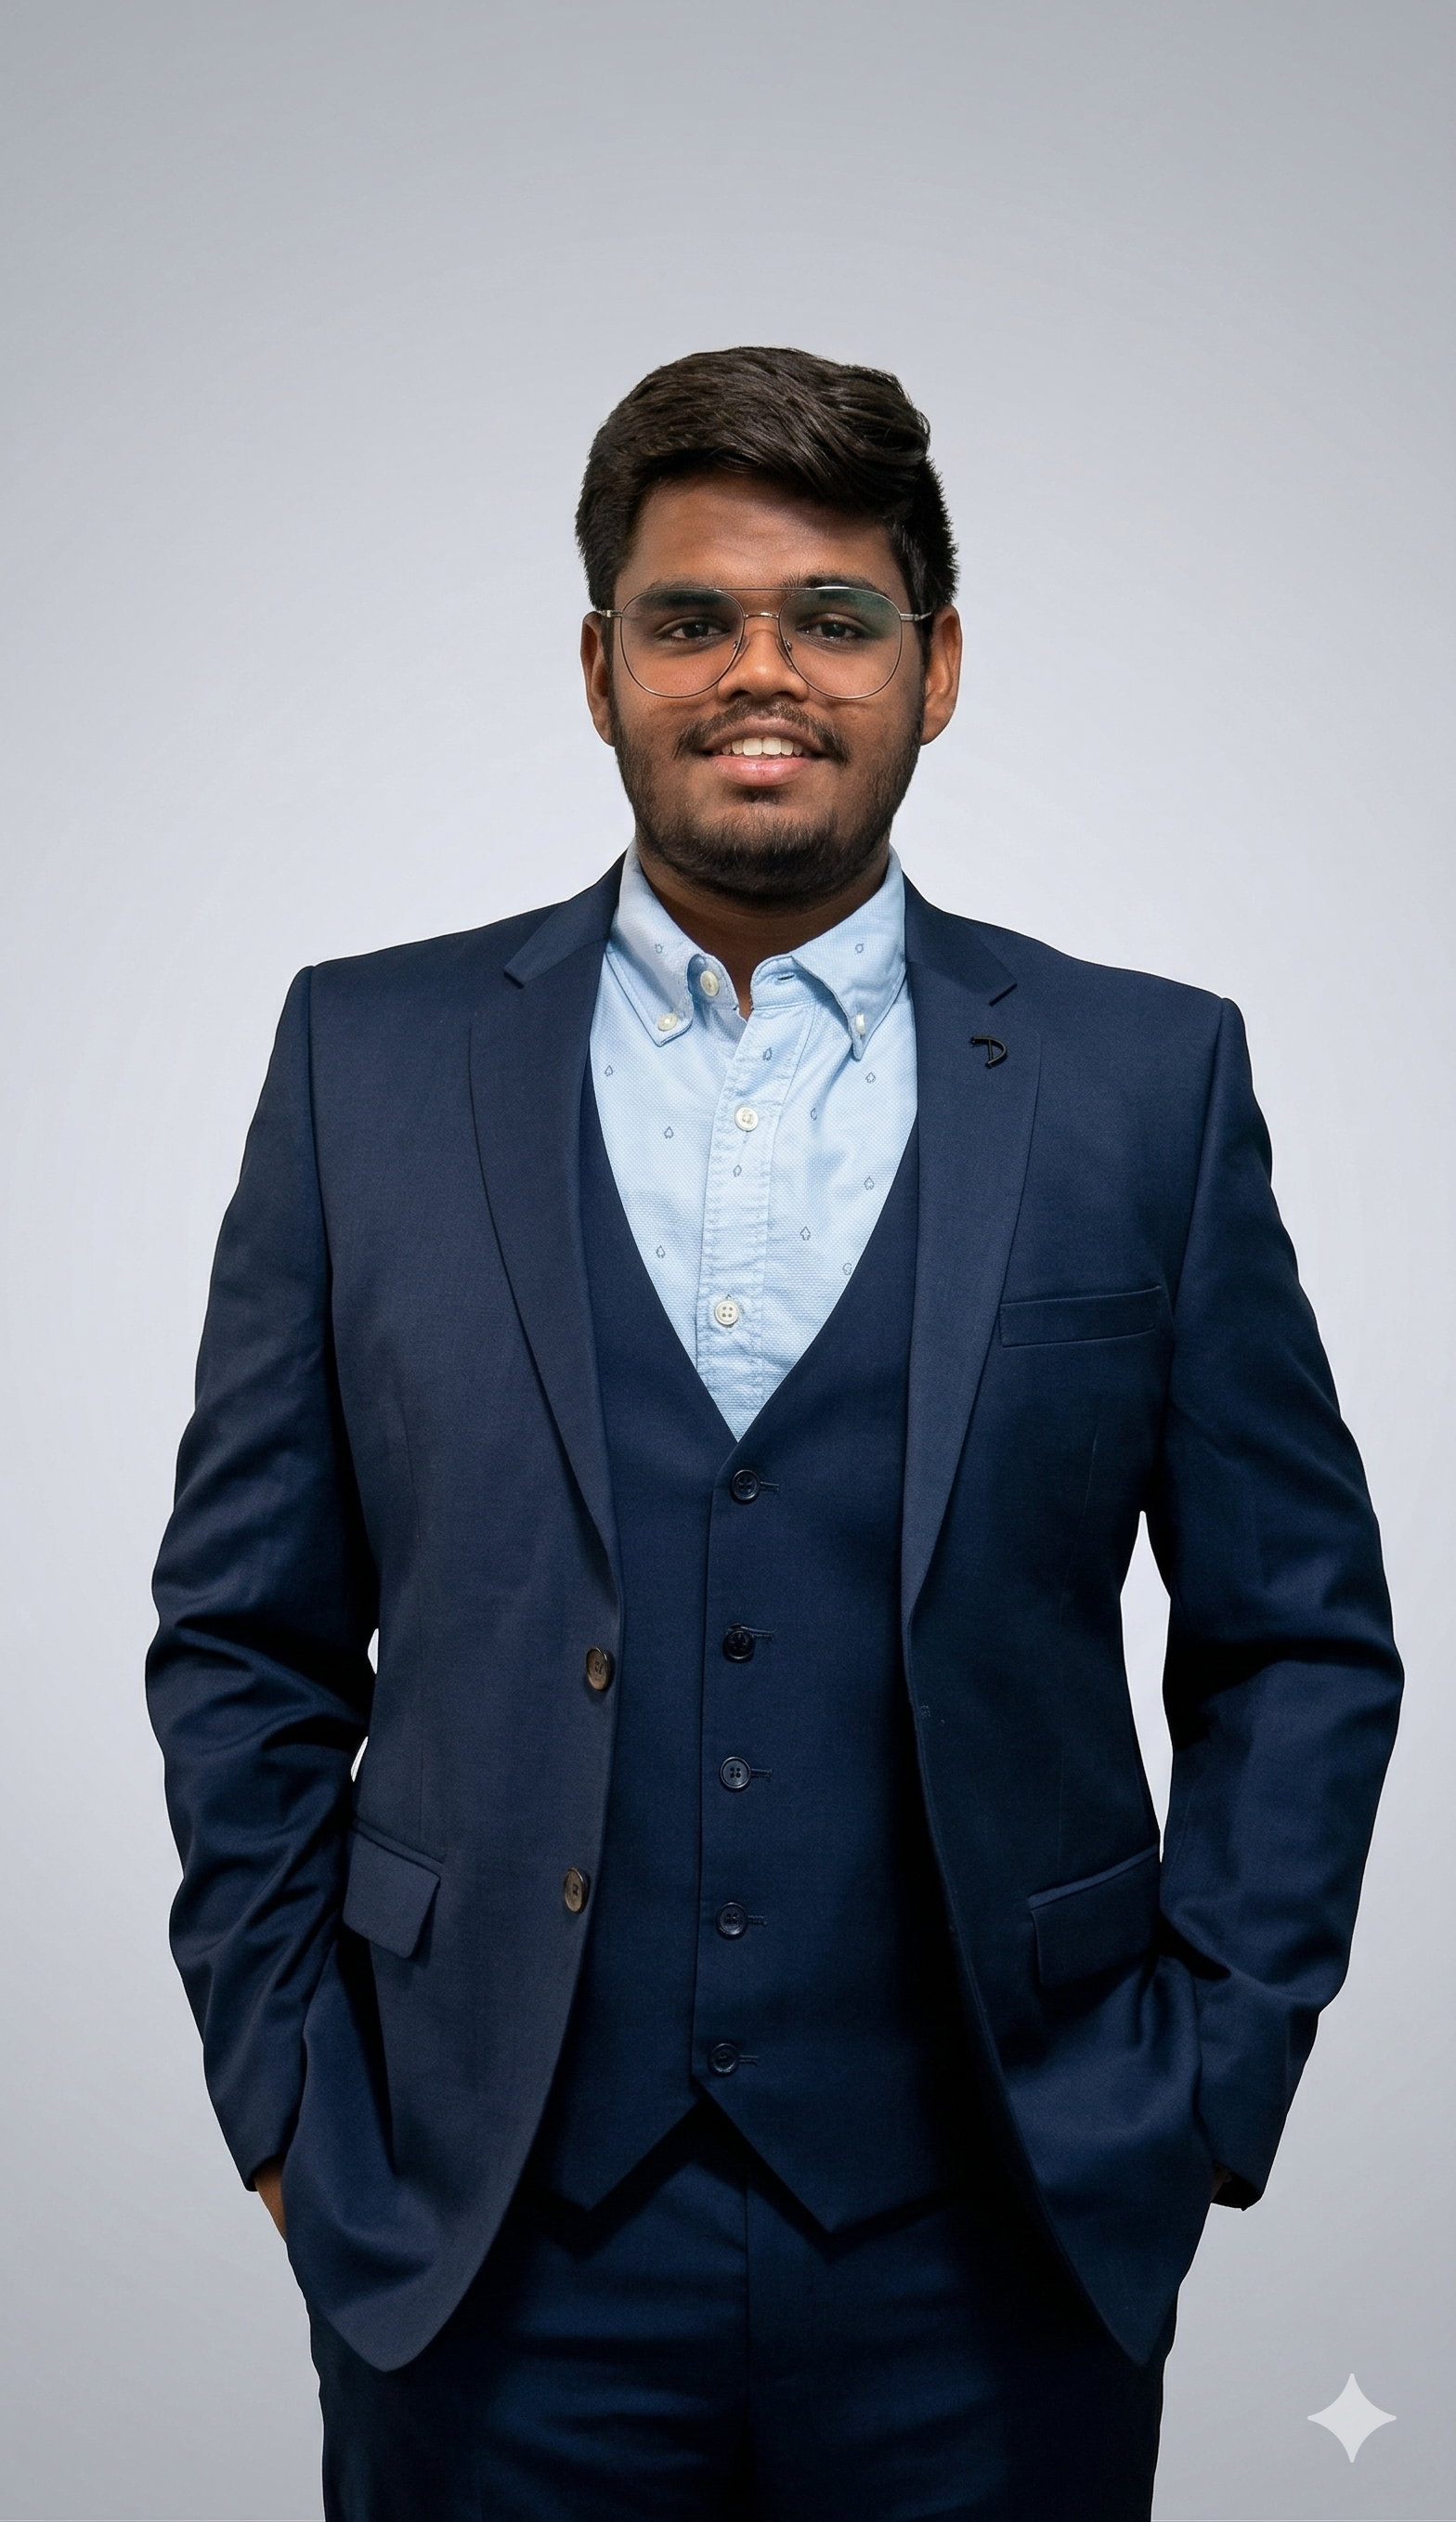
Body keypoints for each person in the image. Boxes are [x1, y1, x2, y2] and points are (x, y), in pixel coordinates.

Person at [148, 345, 1401, 2520]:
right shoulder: (366, 1058)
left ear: (933, 666)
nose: (763, 672)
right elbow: (245, 1636)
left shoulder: (1141, 1080)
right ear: (597, 662)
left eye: (832, 618)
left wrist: (1202, 2083)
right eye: (691, 616)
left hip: (994, 2238)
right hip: (483, 2244)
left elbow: (1297, 1636)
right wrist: (289, 2107)